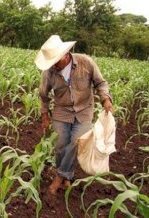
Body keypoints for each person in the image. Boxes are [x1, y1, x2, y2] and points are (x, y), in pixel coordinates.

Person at [35, 35, 113, 195]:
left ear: (66, 54)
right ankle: (66, 178)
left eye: (56, 61)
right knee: (60, 146)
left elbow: (100, 83)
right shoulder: (49, 72)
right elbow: (43, 95)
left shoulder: (86, 62)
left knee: (76, 143)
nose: (54, 65)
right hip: (61, 112)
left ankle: (58, 178)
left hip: (84, 110)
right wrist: (45, 116)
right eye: (51, 62)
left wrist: (105, 98)